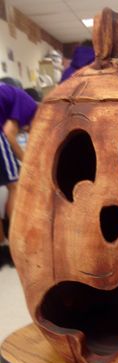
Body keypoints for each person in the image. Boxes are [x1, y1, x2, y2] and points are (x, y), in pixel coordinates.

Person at [0, 82, 37, 267]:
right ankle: (16, 246)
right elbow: (9, 133)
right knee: (14, 187)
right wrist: (28, 163)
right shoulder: (29, 104)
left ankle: (3, 248)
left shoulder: (10, 94)